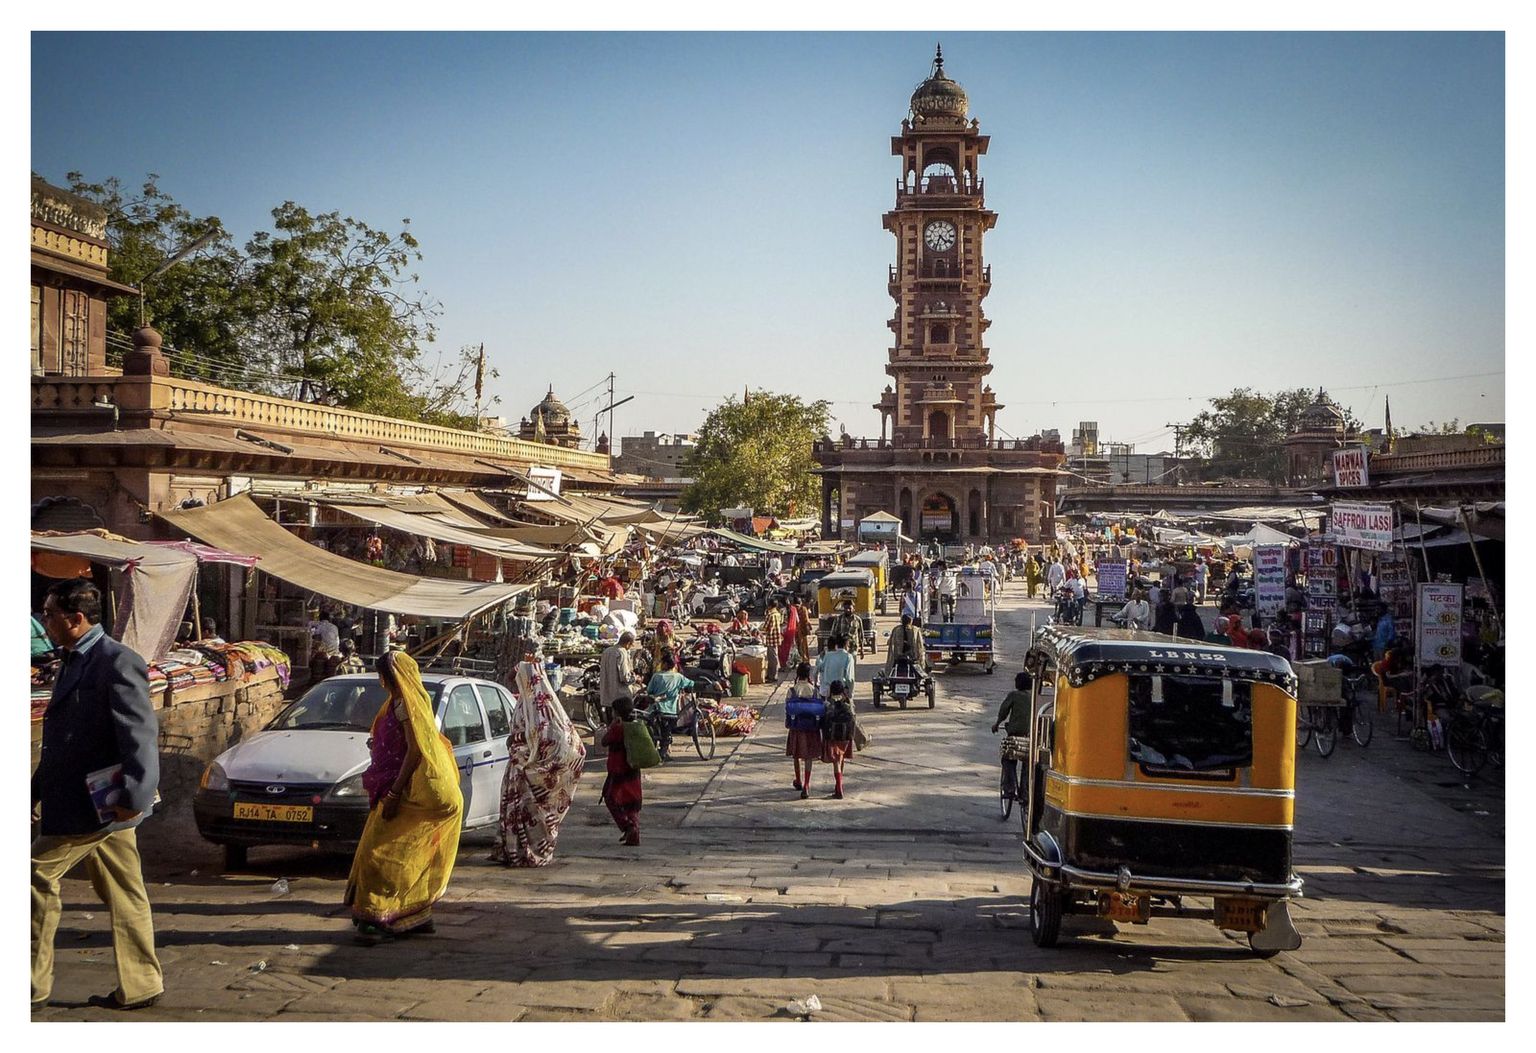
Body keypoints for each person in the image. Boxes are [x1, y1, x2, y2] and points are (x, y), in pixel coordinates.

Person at [31, 579, 164, 1011]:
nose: (44, 622)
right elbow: (63, 739)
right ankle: (141, 983)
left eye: (50, 614)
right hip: (84, 800)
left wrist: (135, 796)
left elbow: (139, 735)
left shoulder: (116, 661)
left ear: (75, 619)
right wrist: (35, 790)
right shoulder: (72, 660)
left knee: (33, 877)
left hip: (98, 805)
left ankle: (30, 985)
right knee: (125, 890)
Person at [344, 649, 462, 945]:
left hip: (407, 790)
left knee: (378, 855)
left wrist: (395, 792)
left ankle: (375, 919)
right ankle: (416, 915)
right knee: (411, 853)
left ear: (390, 677)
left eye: (382, 676)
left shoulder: (405, 705)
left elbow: (414, 750)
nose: (381, 681)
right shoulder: (403, 702)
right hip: (400, 787)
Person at [490, 659, 587, 867]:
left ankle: (532, 851)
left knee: (534, 813)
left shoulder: (543, 706)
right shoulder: (524, 703)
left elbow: (552, 736)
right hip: (517, 766)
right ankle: (513, 850)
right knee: (516, 811)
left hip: (530, 768)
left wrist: (524, 747)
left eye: (517, 679)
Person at [599, 695, 645, 846]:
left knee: (610, 797)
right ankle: (634, 834)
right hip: (633, 769)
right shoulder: (634, 725)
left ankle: (628, 827)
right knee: (632, 802)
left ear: (617, 712)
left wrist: (612, 725)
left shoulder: (618, 728)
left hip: (618, 769)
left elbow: (604, 741)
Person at [991, 670, 1033, 804]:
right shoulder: (1034, 697)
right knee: (1028, 765)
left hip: (1015, 734)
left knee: (1007, 759)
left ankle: (1009, 789)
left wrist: (997, 723)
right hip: (1031, 736)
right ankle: (1025, 793)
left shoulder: (1014, 695)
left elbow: (1004, 710)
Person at [644, 653, 696, 761]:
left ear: (664, 664)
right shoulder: (678, 677)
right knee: (667, 731)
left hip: (657, 709)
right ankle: (663, 752)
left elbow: (649, 690)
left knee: (660, 729)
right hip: (672, 711)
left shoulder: (656, 676)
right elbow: (691, 683)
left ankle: (661, 750)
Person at [784, 663, 823, 798]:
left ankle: (798, 779)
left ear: (798, 674)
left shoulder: (792, 690)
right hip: (811, 728)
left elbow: (787, 709)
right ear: (808, 674)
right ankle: (807, 783)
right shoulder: (814, 691)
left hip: (796, 727)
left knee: (796, 754)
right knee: (808, 756)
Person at [820, 680, 857, 799]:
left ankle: (839, 787)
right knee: (841, 758)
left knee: (836, 761)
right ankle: (839, 784)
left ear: (831, 691)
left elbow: (823, 721)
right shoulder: (848, 703)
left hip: (832, 736)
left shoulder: (828, 704)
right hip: (845, 736)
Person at [599, 632, 638, 721]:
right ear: (628, 643)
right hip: (620, 699)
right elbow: (625, 677)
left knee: (610, 723)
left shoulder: (607, 651)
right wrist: (634, 678)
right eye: (631, 644)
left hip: (607, 696)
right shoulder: (621, 652)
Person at [885, 612, 926, 677]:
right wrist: (921, 662)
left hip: (898, 658)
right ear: (911, 621)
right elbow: (920, 646)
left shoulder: (896, 630)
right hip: (912, 658)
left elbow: (891, 646)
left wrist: (890, 663)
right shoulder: (916, 630)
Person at [815, 634, 857, 698]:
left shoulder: (828, 655)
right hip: (842, 691)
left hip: (828, 691)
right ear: (846, 645)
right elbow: (849, 678)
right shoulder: (848, 657)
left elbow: (820, 668)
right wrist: (850, 692)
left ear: (836, 645)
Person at [762, 599, 784, 681]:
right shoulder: (778, 614)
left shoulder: (770, 615)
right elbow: (781, 622)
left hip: (771, 638)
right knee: (772, 657)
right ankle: (770, 675)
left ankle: (773, 676)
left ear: (770, 606)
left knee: (772, 658)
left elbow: (765, 627)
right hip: (776, 638)